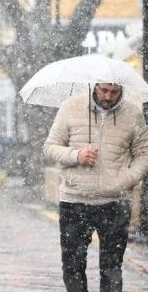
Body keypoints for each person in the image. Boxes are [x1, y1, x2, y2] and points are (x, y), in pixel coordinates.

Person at [43, 82, 148, 292]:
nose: (108, 97)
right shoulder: (70, 107)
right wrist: (76, 155)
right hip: (74, 201)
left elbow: (144, 153)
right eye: (104, 90)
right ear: (94, 86)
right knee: (73, 266)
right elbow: (50, 147)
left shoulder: (132, 113)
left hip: (115, 202)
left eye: (114, 92)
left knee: (112, 268)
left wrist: (127, 178)